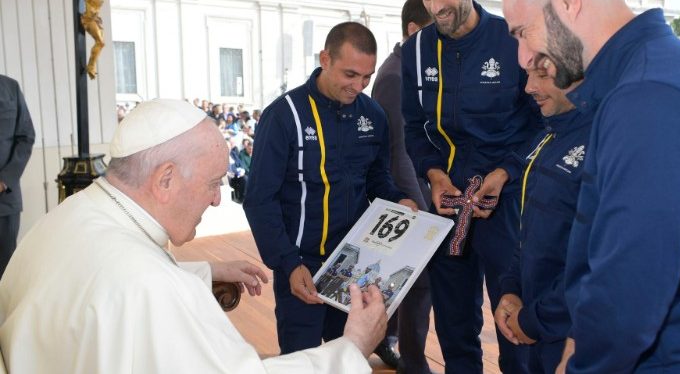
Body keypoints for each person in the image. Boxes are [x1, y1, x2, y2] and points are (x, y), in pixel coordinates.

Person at [0, 99, 389, 373]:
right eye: (213, 183)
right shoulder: (152, 287)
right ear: (165, 179)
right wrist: (352, 348)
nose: (218, 200)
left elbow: (103, 290)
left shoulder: (69, 216)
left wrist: (205, 271)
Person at [503, 0, 680, 372]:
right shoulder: (646, 81)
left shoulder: (651, 96)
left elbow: (627, 292)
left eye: (523, 33)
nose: (524, 57)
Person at [244, 22, 418, 355]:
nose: (359, 86)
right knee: (303, 361)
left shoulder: (374, 116)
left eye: (366, 78)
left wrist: (400, 199)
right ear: (325, 58)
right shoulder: (284, 116)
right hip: (300, 267)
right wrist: (288, 264)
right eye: (350, 74)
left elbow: (376, 178)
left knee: (350, 359)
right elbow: (259, 200)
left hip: (354, 267)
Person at [401, 0, 539, 372]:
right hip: (446, 208)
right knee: (455, 328)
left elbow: (541, 124)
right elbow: (413, 126)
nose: (436, 6)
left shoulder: (512, 41)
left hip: (505, 206)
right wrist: (434, 173)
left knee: (514, 329)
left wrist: (505, 173)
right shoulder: (416, 51)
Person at [494, 58, 589, 373]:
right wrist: (511, 289)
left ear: (577, 74)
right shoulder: (546, 138)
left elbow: (595, 263)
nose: (529, 87)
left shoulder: (603, 143)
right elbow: (528, 232)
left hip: (571, 337)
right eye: (527, 74)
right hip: (536, 330)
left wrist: (537, 320)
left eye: (541, 75)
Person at [371, 0, 434, 374]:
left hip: (413, 194)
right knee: (418, 284)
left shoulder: (410, 68)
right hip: (406, 199)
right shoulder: (395, 75)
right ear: (414, 30)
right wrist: (421, 211)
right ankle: (412, 361)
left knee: (399, 283)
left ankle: (385, 338)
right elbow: (399, 153)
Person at [61, 0, 119, 79]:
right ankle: (91, 66)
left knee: (101, 43)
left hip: (96, 19)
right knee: (100, 42)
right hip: (87, 19)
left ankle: (91, 65)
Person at [0, 75, 35, 278]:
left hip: (5, 200)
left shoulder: (10, 88)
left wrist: (5, 180)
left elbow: (26, 136)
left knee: (5, 270)